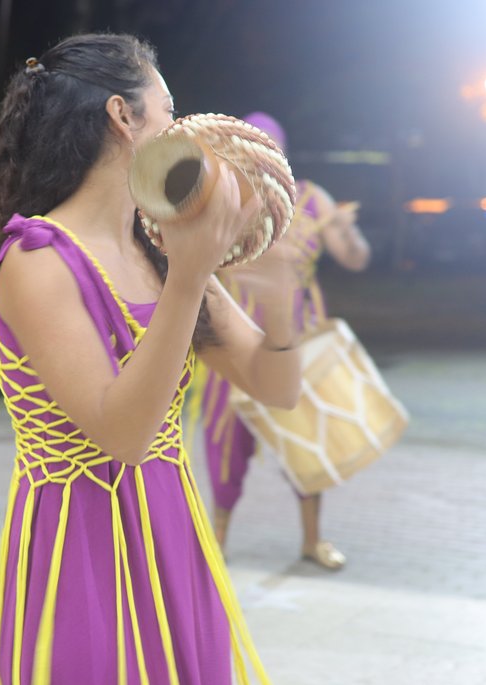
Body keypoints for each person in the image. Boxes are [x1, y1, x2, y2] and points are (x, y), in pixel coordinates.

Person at [0, 34, 303, 684]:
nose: (180, 126)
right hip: (79, 540)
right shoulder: (37, 259)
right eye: (168, 110)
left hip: (172, 524)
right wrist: (191, 274)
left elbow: (276, 387)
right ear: (122, 115)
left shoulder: (159, 246)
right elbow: (122, 435)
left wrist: (280, 301)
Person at [199, 111, 371, 569]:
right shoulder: (221, 199)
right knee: (223, 444)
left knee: (306, 441)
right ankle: (216, 542)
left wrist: (347, 232)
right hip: (232, 345)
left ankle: (312, 540)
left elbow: (354, 259)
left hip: (299, 344)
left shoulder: (312, 199)